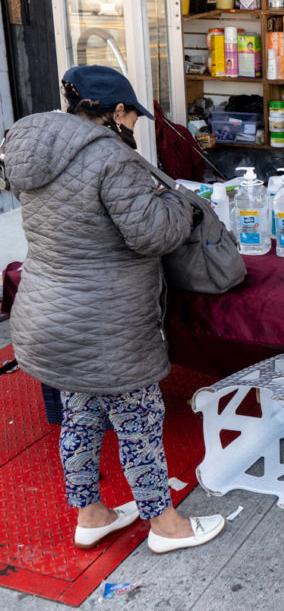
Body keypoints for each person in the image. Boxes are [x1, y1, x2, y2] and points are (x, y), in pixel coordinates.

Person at [3, 65, 225, 554]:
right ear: (117, 112)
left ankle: (91, 514)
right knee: (139, 422)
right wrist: (178, 203)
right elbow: (154, 236)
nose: (134, 127)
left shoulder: (30, 148)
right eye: (133, 117)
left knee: (80, 416)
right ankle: (165, 526)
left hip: (47, 314)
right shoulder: (109, 158)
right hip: (105, 323)